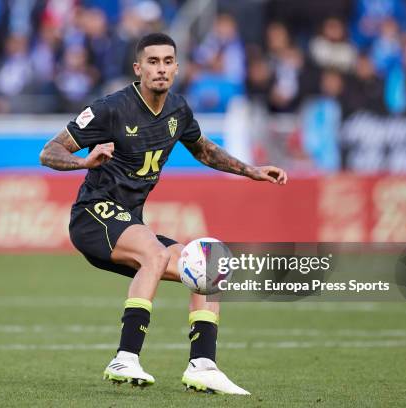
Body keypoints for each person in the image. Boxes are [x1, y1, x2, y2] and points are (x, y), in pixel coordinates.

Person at [39, 33, 287, 395]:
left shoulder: (178, 110)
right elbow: (49, 151)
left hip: (129, 222)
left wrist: (251, 170)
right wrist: (83, 161)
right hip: (93, 215)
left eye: (168, 61)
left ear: (176, 67)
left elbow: (203, 150)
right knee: (154, 252)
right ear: (138, 68)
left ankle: (203, 364)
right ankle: (125, 356)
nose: (161, 69)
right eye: (153, 62)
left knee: (208, 265)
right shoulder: (111, 108)